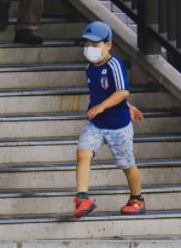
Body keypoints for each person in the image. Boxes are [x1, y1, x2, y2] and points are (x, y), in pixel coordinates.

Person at [73, 20, 145, 219]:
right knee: (83, 153)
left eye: (95, 45)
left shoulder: (115, 65)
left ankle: (137, 198)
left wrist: (106, 106)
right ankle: (82, 198)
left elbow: (122, 91)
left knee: (126, 163)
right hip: (96, 123)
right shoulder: (90, 68)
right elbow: (105, 92)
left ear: (108, 45)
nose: (89, 50)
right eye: (86, 45)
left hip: (117, 126)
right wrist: (127, 105)